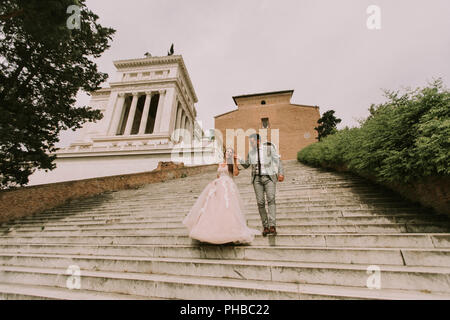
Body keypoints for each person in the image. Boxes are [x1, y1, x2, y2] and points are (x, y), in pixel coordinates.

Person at [182, 147, 260, 244]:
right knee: (214, 208)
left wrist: (235, 161)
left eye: (231, 152)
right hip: (218, 187)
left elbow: (235, 174)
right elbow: (218, 175)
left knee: (227, 208)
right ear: (225, 153)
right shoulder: (220, 163)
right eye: (227, 151)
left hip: (228, 187)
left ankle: (229, 231)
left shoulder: (232, 164)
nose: (229, 153)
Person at [238, 133, 284, 236]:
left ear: (258, 140)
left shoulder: (268, 149)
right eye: (250, 141)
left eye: (252, 141)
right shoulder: (251, 152)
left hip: (269, 177)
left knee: (271, 199)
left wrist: (280, 173)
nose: (251, 143)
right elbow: (246, 165)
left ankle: (272, 226)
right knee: (260, 202)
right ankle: (265, 227)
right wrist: (238, 158)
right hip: (257, 179)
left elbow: (278, 160)